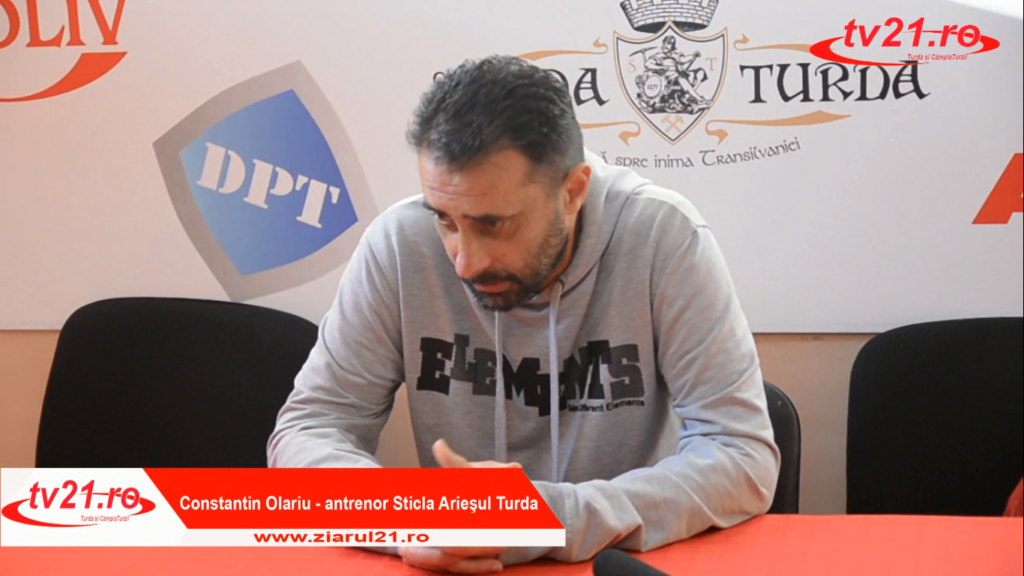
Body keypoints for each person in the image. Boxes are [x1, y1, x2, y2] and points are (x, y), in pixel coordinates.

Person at [268, 54, 780, 573]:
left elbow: (741, 455)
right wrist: (413, 519)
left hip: (616, 565)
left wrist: (547, 518)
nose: (464, 262)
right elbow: (309, 429)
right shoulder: (399, 244)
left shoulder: (664, 237)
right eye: (445, 220)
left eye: (493, 224)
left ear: (573, 192)